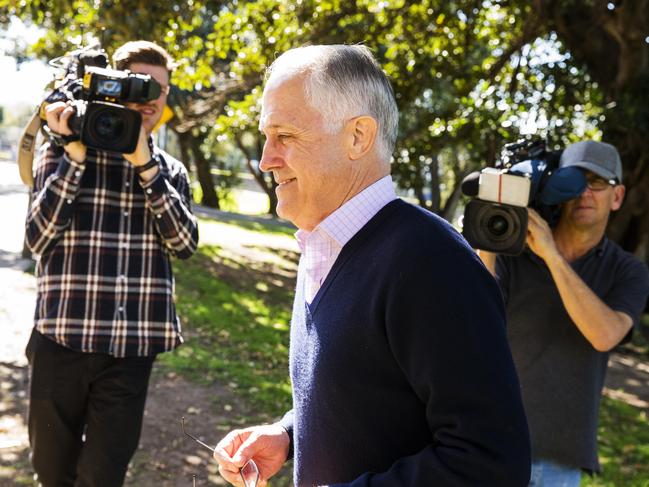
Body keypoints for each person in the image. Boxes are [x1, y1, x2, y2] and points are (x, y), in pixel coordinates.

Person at [213, 44, 530, 487]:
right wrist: (288, 434)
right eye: (266, 136)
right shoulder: (326, 245)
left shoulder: (431, 263)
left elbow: (490, 461)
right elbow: (374, 398)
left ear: (358, 137)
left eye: (285, 136)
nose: (267, 159)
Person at [24, 40, 198, 486]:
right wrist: (75, 158)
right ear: (111, 88)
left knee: (103, 476)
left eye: (158, 88)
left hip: (131, 348)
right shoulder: (60, 151)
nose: (149, 99)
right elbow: (36, 238)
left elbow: (184, 244)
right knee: (50, 470)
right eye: (137, 86)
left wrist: (146, 167)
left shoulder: (172, 170)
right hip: (62, 338)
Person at [479, 140, 649, 486]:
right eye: (573, 180)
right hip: (490, 443)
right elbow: (475, 318)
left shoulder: (627, 270)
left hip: (559, 457)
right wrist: (490, 234)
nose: (584, 192)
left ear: (617, 197)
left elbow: (605, 335)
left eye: (597, 182)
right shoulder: (515, 251)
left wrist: (552, 256)